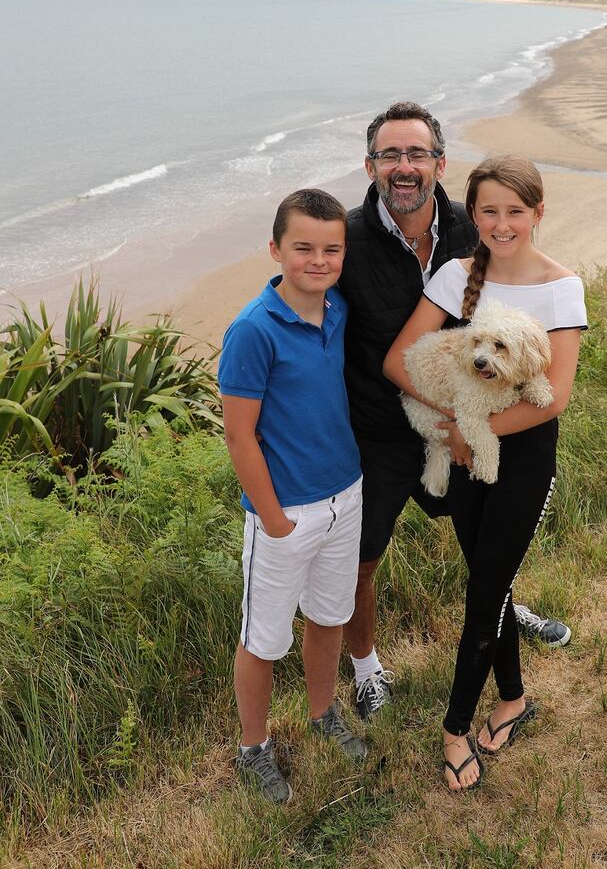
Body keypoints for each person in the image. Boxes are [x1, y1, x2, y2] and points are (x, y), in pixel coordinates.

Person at [338, 103, 571, 725]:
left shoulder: (478, 228)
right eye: (391, 154)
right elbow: (302, 293)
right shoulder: (347, 239)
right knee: (363, 553)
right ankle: (366, 669)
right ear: (370, 166)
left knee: (489, 529)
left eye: (417, 154)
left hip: (469, 418)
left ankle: (499, 610)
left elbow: (525, 308)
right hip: (381, 429)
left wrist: (469, 426)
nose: (404, 167)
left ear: (440, 164)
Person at [383, 155, 587, 791]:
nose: (502, 224)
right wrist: (455, 429)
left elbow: (555, 394)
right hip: (463, 439)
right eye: (489, 211)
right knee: (488, 584)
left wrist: (479, 436)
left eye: (515, 212)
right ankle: (515, 697)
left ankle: (453, 728)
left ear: (538, 214)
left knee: (484, 594)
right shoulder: (453, 276)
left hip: (521, 459)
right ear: (473, 215)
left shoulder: (561, 287)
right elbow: (398, 364)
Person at [219, 189, 367, 805]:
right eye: (303, 247)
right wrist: (274, 519)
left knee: (330, 619)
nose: (318, 259)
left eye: (331, 249)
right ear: (276, 249)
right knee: (263, 639)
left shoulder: (337, 309)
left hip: (346, 495)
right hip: (287, 514)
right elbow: (238, 434)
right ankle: (253, 748)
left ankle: (323, 712)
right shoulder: (254, 330)